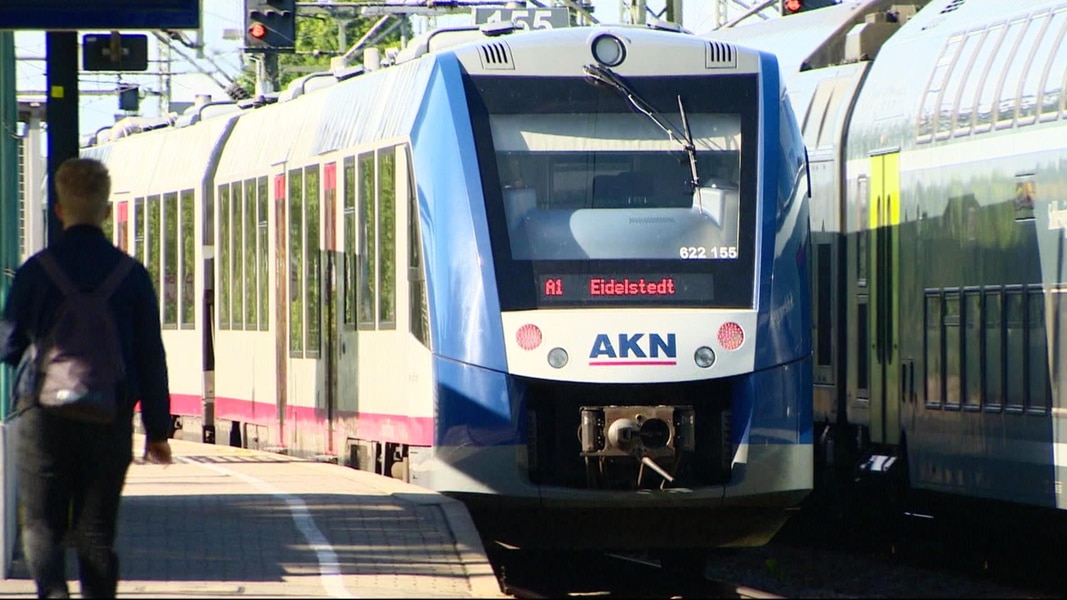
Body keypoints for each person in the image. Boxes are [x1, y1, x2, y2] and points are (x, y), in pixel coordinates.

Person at [0, 157, 173, 598]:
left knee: (42, 523)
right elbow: (151, 356)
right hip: (108, 417)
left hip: (43, 418)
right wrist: (157, 430)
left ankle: (53, 593)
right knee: (96, 531)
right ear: (106, 209)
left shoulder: (36, 272)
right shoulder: (131, 276)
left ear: (58, 209)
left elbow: (8, 346)